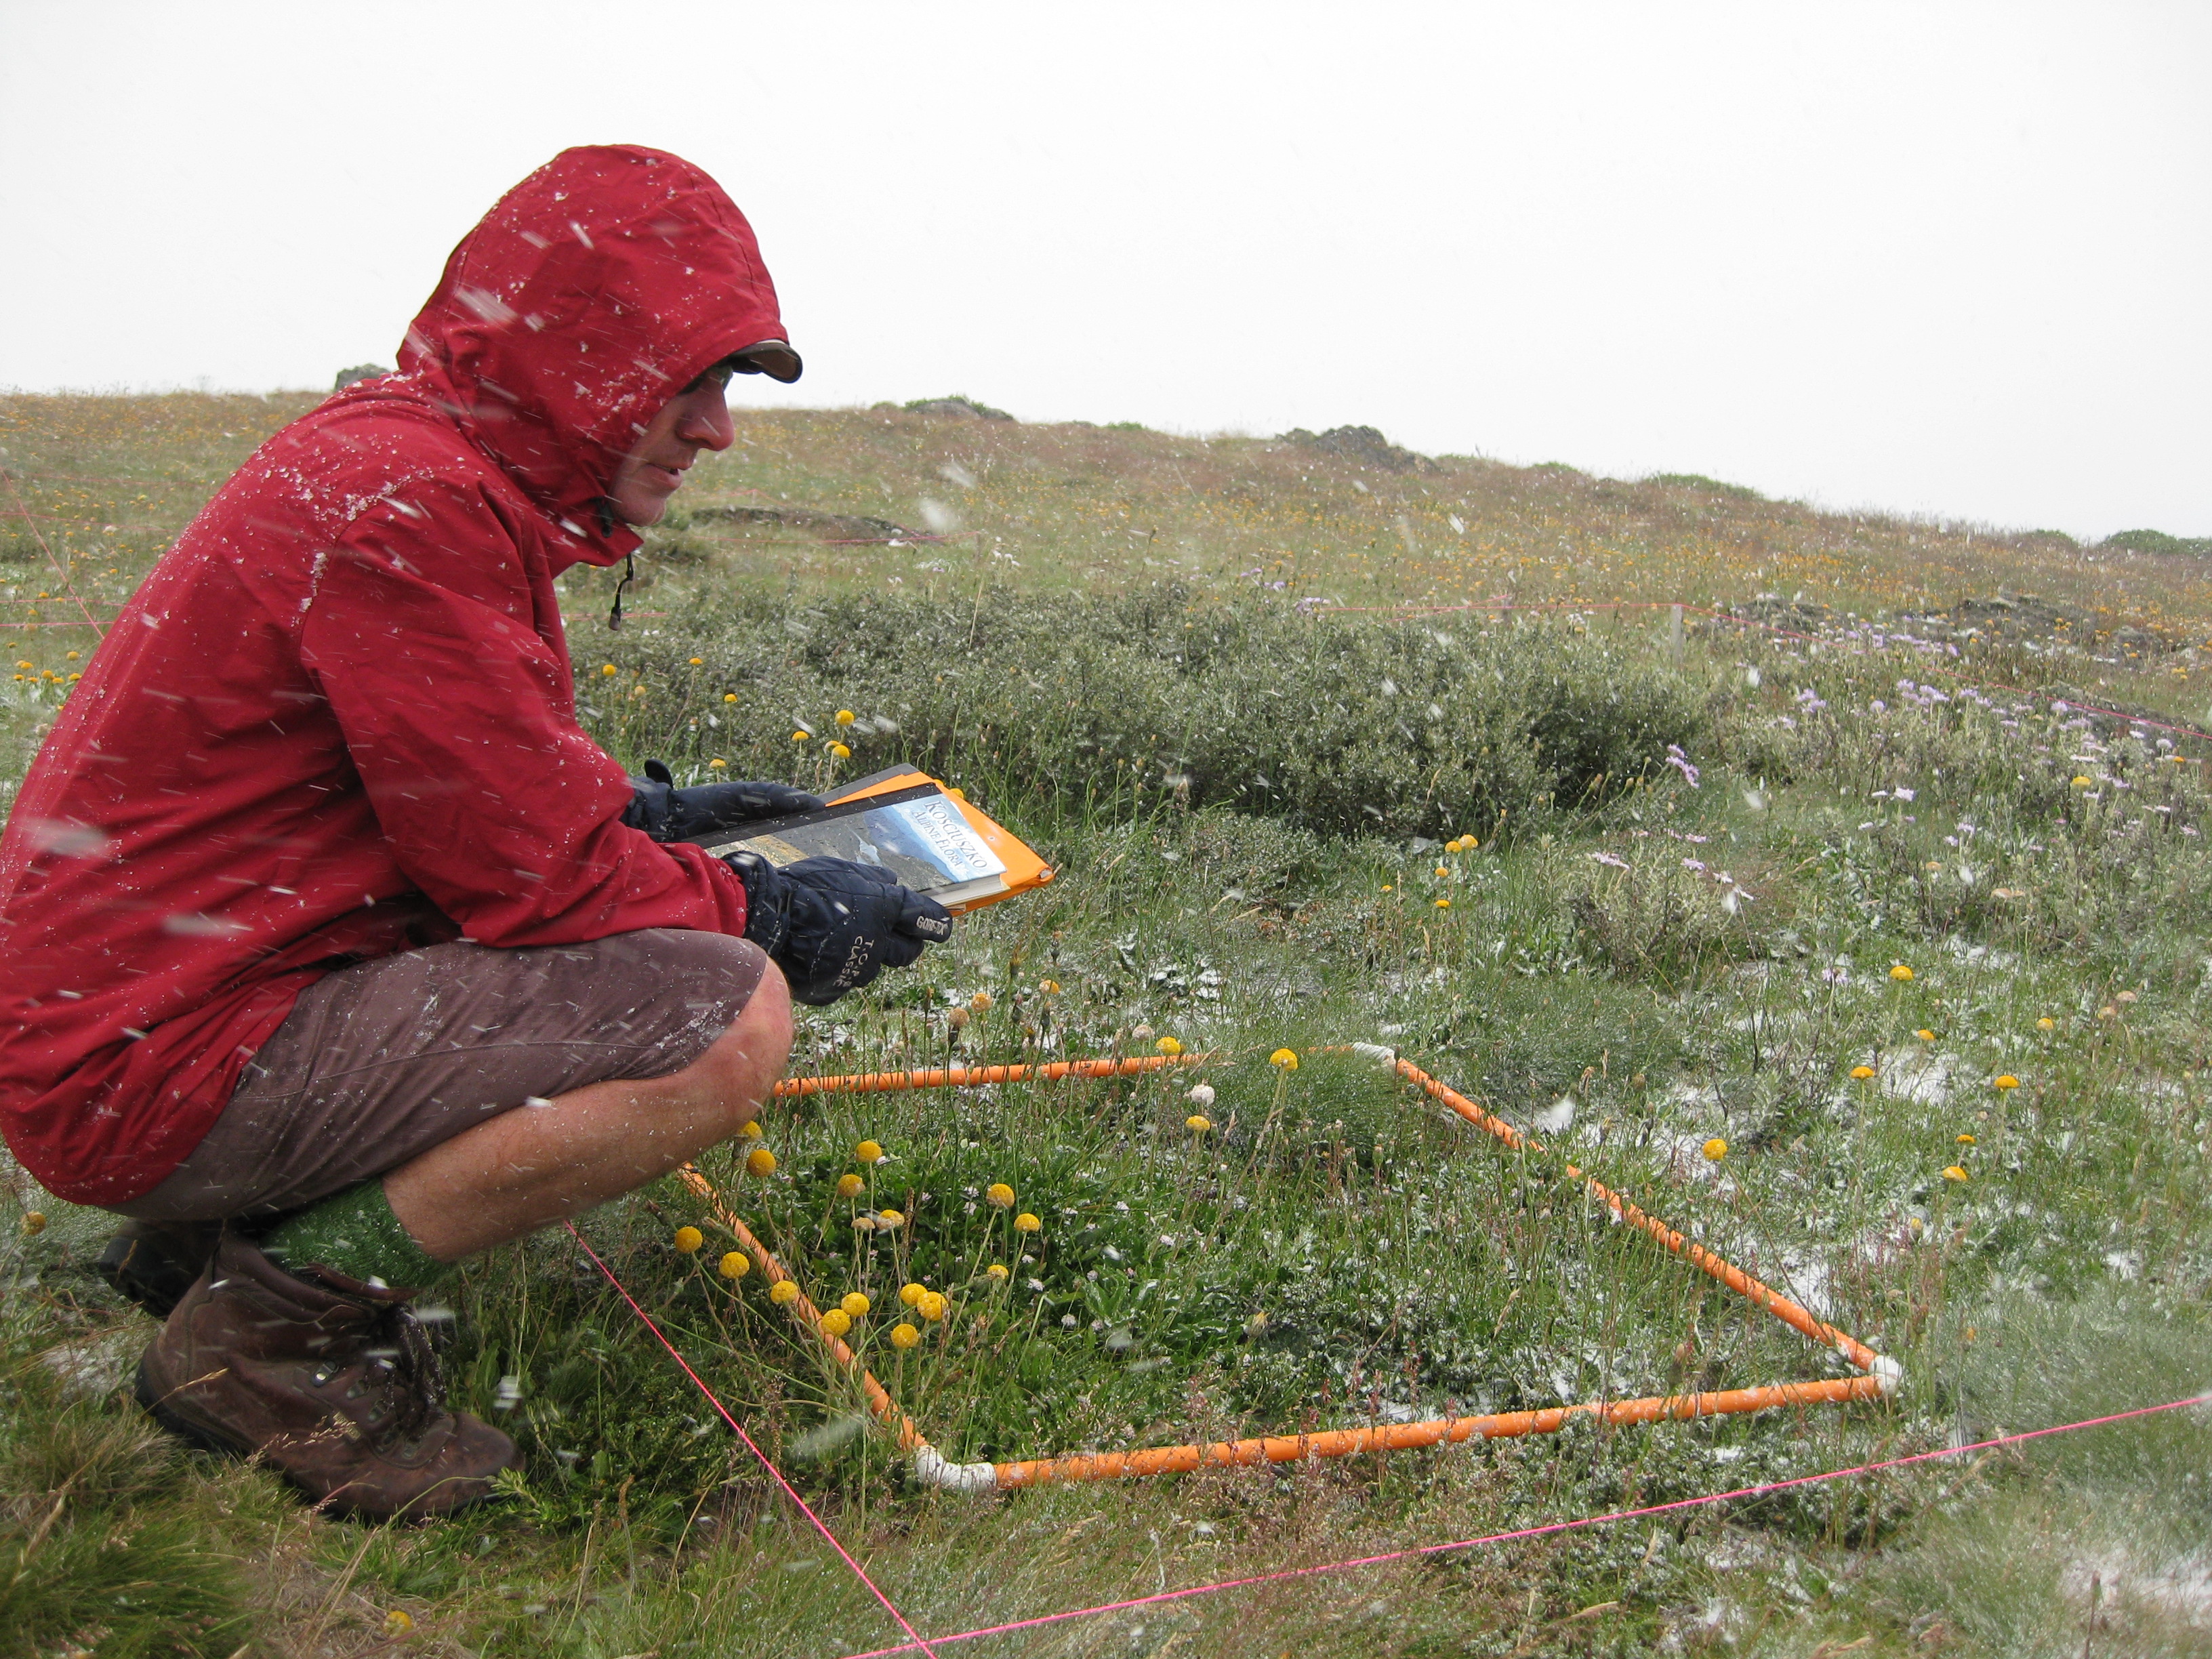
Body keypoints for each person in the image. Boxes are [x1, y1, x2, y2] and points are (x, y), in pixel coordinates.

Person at [0, 146, 951, 1519]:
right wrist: (777, 913)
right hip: (141, 1064)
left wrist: (657, 818)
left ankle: (222, 1236)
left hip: (133, 1012)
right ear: (593, 363)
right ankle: (271, 1341)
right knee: (723, 1016)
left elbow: (442, 798)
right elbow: (537, 884)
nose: (718, 430)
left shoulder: (410, 467)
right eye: (695, 382)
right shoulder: (414, 506)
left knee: (657, 940)